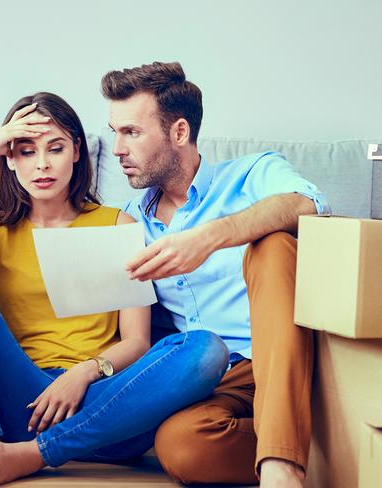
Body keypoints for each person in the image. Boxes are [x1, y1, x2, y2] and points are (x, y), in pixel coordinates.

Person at [0, 92, 229, 488]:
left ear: (76, 152)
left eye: (55, 148)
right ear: (10, 159)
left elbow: (137, 342)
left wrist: (83, 373)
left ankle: (36, 454)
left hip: (105, 401)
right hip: (25, 402)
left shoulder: (118, 225)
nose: (41, 164)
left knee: (205, 349)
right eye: (26, 151)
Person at [101, 62, 331, 488]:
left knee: (273, 243)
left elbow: (310, 204)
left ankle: (282, 467)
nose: (116, 148)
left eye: (131, 132)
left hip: (286, 358)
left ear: (179, 133)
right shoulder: (129, 223)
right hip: (219, 381)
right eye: (114, 131)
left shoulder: (252, 173)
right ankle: (315, 448)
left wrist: (209, 237)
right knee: (180, 446)